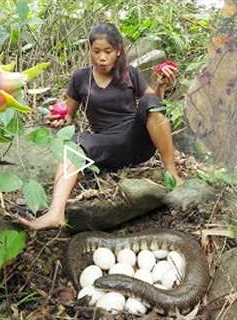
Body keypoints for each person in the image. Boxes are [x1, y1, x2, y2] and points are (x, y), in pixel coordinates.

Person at [18, 23, 183, 230]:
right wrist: (60, 118)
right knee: (73, 144)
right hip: (105, 146)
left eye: (108, 51)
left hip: (136, 140)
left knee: (150, 101)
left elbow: (154, 108)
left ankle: (172, 174)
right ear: (90, 51)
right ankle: (55, 212)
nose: (102, 57)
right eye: (96, 51)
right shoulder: (80, 78)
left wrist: (160, 88)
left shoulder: (130, 73)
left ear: (118, 51)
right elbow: (68, 114)